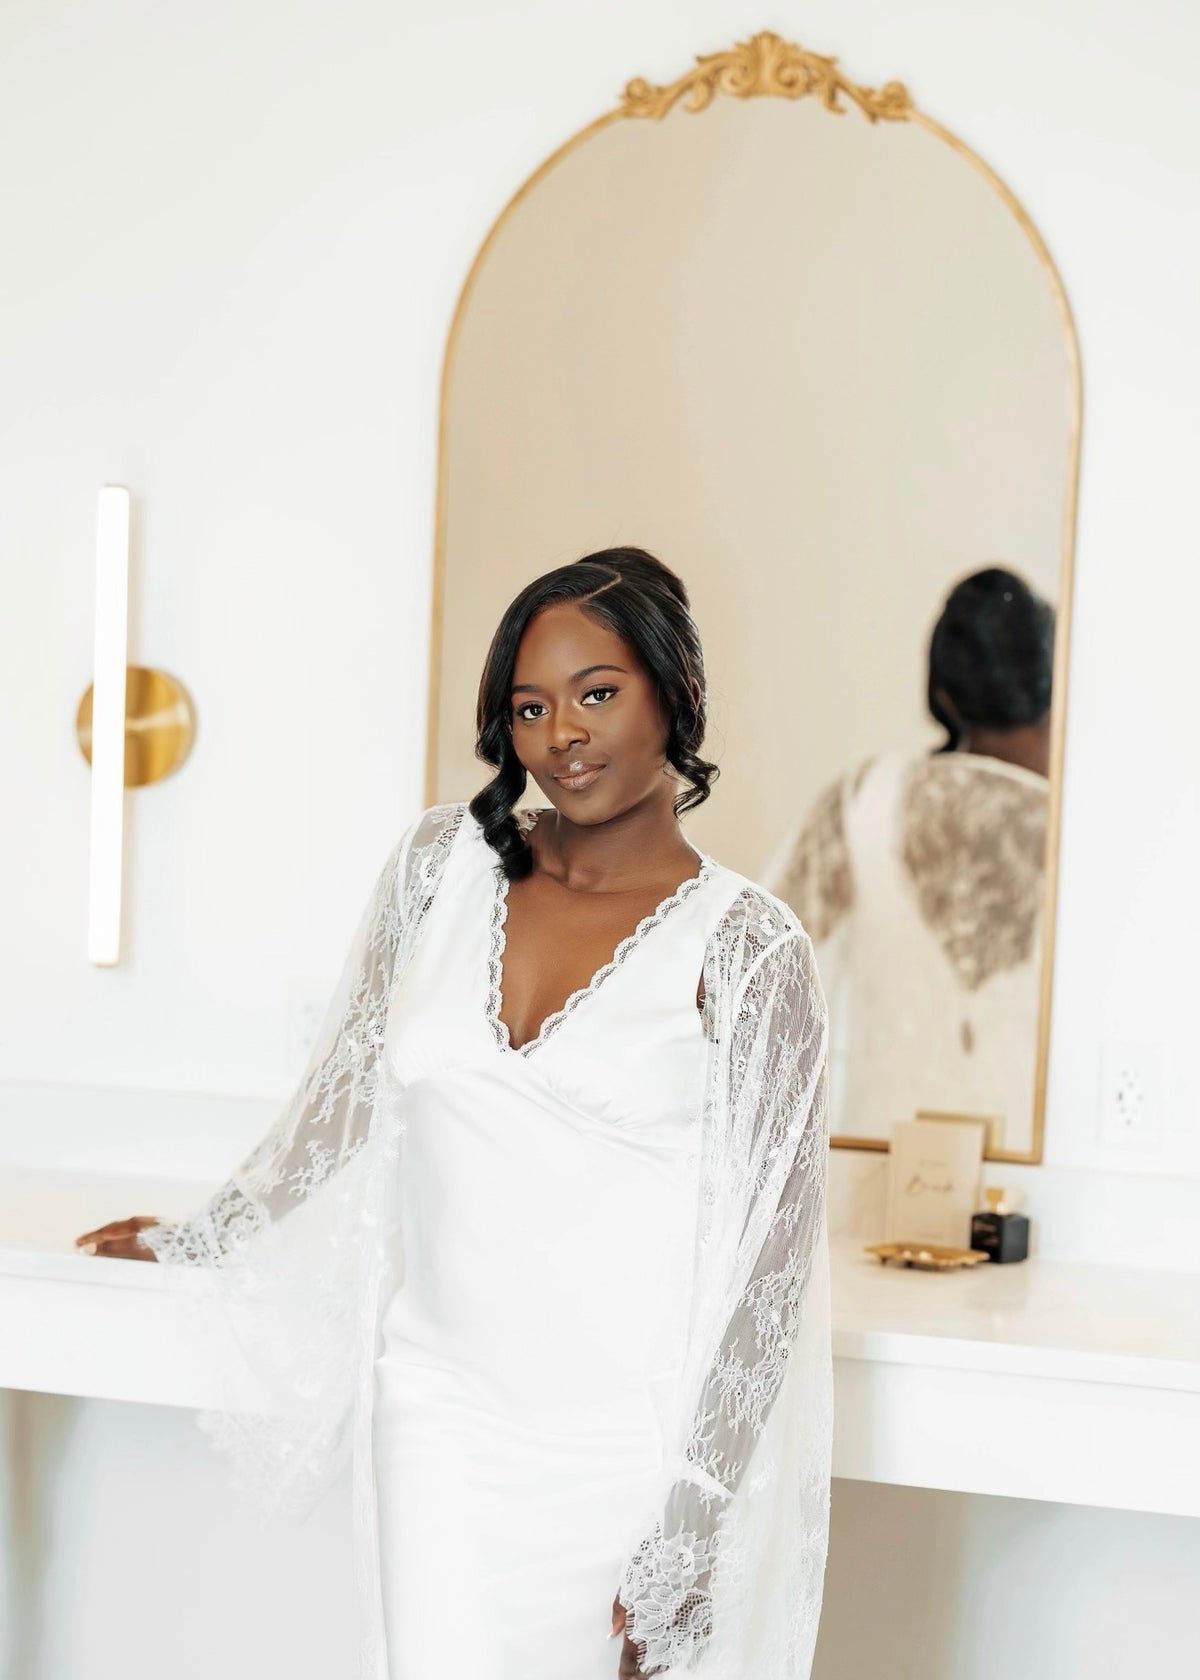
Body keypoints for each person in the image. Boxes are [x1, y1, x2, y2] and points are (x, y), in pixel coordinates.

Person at [77, 548, 832, 1680]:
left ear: (674, 693)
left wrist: (695, 1513)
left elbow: (770, 1268)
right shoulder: (441, 868)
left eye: (597, 692)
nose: (561, 735)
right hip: (441, 1420)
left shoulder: (748, 947)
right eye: (530, 707)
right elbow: (341, 1100)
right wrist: (213, 1230)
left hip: (629, 1452)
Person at [766, 565, 1054, 1144]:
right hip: (1038, 1185)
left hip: (875, 1172)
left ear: (943, 692)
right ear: (1057, 684)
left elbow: (759, 980)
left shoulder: (862, 801)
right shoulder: (1087, 834)